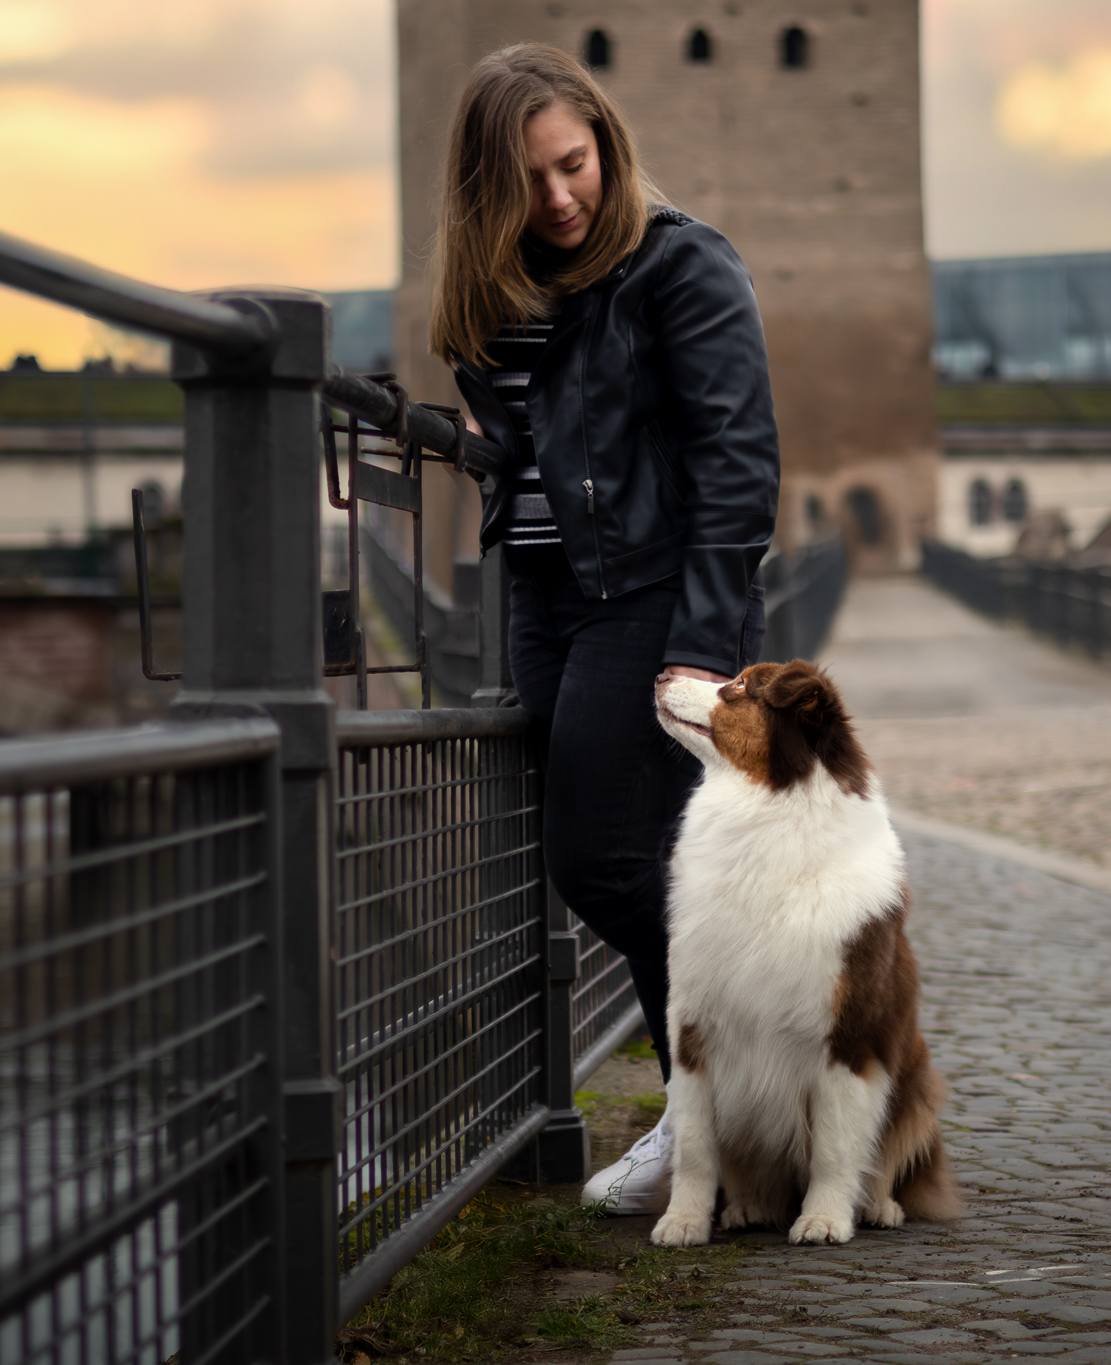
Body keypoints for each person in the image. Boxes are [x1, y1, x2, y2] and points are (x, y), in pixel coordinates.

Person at [430, 44, 779, 1211]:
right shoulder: (505, 282)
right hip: (549, 596)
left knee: (603, 860)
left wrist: (704, 638)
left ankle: (720, 1109)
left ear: (605, 145)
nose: (560, 198)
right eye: (527, 182)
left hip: (649, 596)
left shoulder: (677, 265)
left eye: (571, 165)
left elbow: (736, 461)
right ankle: (720, 1125)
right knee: (662, 862)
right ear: (488, 193)